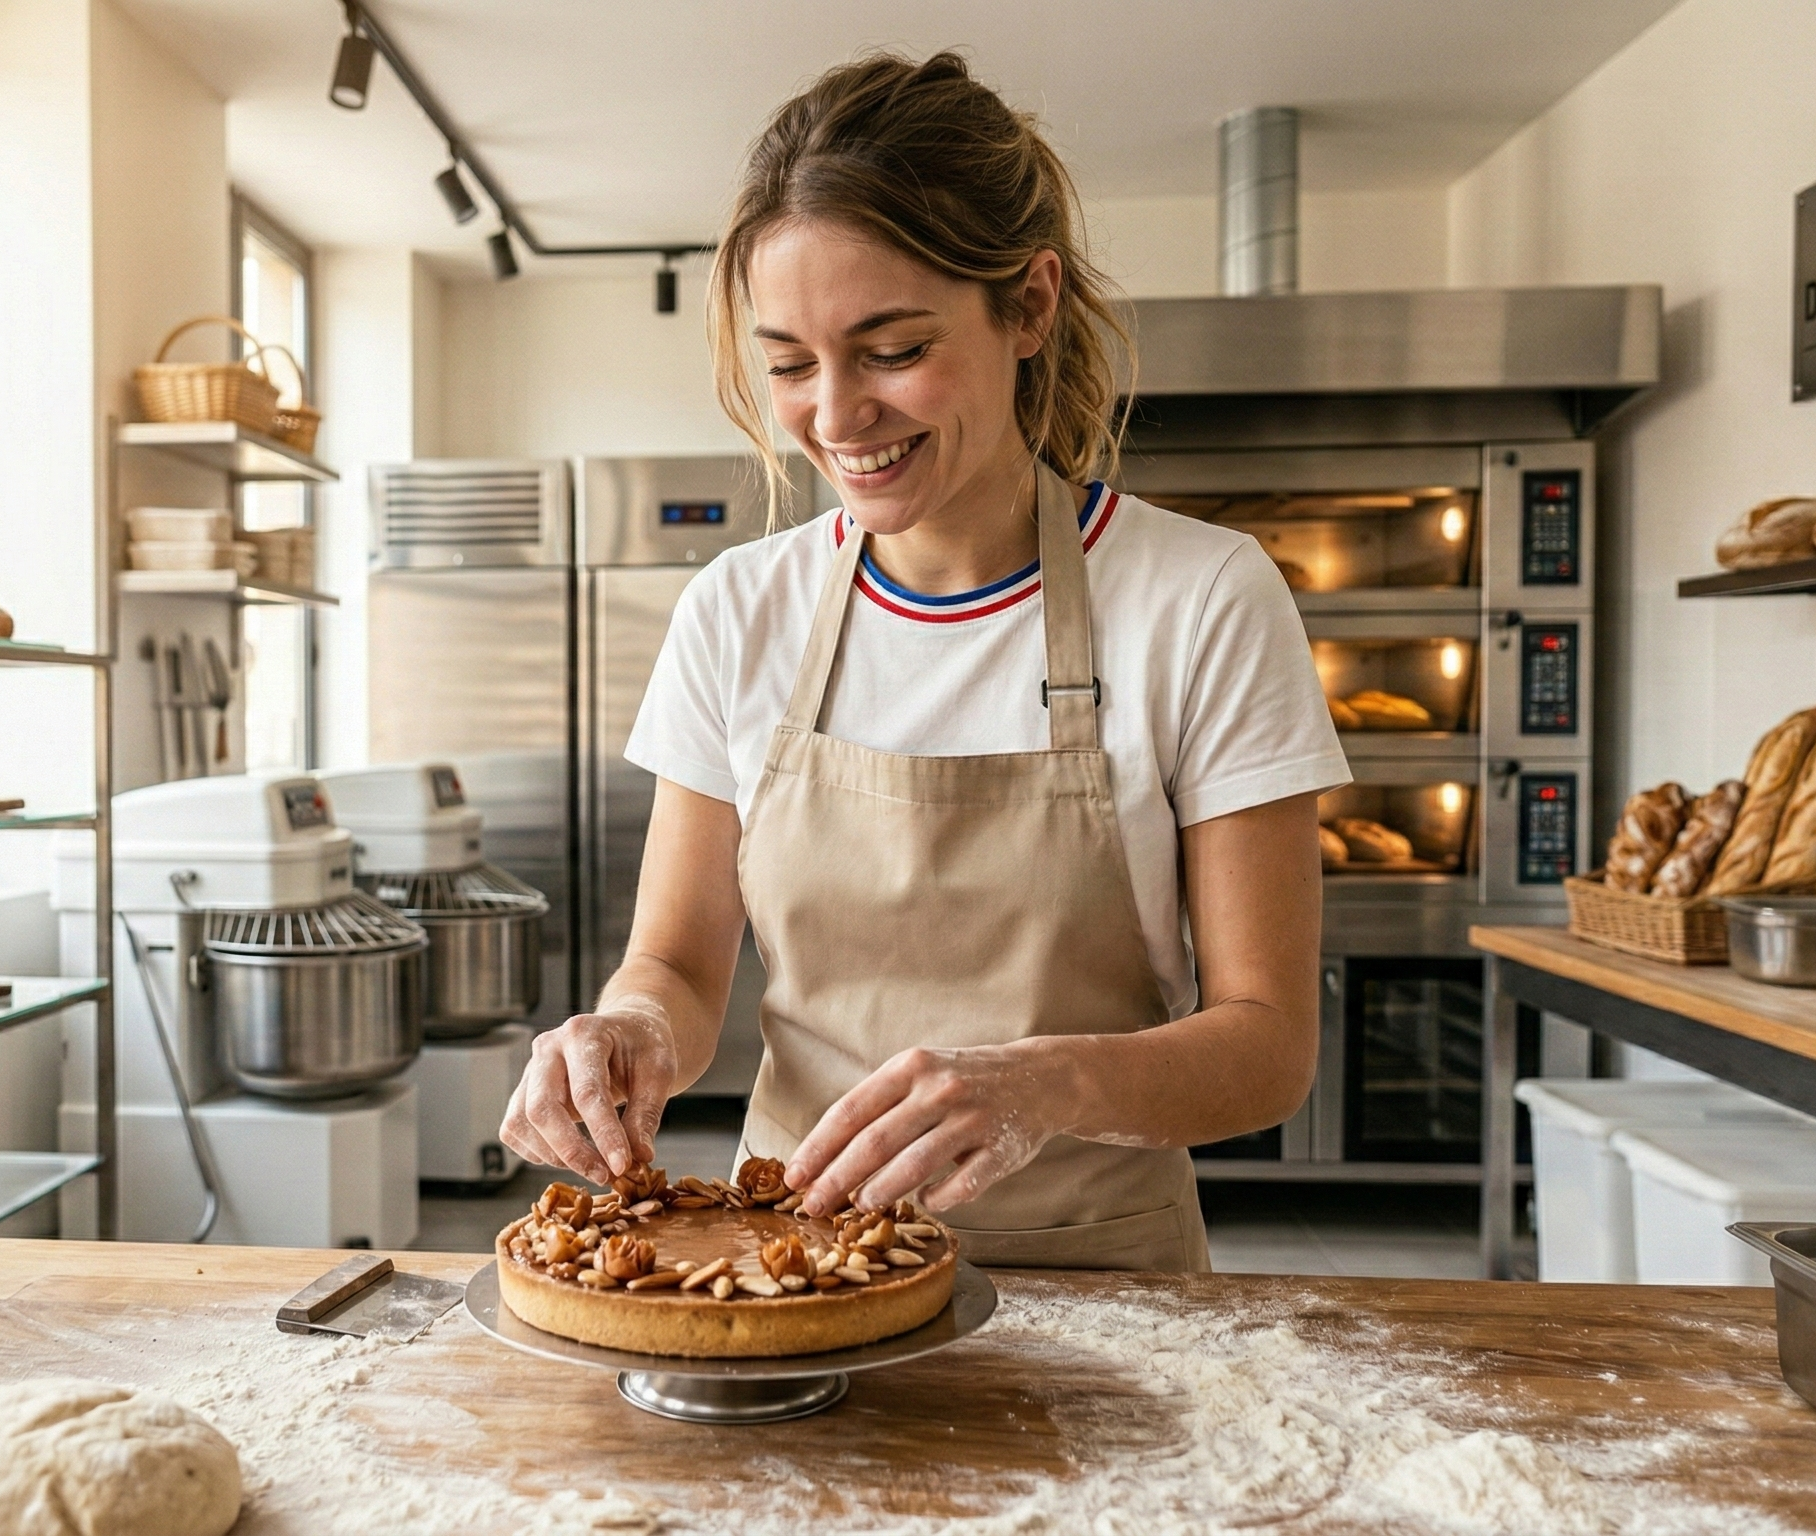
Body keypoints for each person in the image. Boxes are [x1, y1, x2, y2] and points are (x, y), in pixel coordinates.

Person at [498, 51, 1349, 1270]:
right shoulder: (739, 608)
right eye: (788, 364)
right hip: (792, 1275)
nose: (835, 416)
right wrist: (629, 1027)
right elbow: (679, 964)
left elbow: (1266, 1047)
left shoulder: (1200, 596)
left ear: (1030, 307)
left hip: (1100, 1283)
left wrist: (1035, 1087)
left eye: (891, 348)